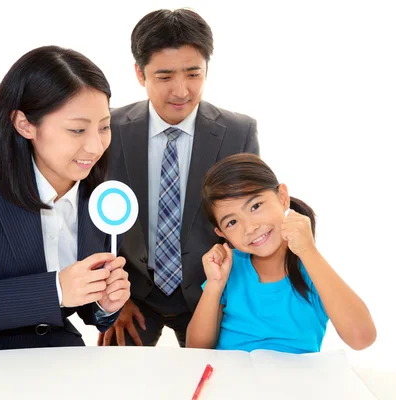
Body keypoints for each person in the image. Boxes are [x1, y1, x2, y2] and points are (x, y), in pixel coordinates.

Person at [0, 46, 131, 356]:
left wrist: (104, 303)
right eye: (77, 129)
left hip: (57, 358)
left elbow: (87, 312)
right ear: (24, 123)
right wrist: (55, 290)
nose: (95, 146)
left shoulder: (103, 200)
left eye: (104, 126)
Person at [102, 8, 260, 347]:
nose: (181, 91)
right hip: (133, 295)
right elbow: (88, 219)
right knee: (114, 382)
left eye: (193, 74)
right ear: (139, 74)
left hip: (210, 292)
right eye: (164, 76)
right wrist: (113, 298)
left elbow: (250, 222)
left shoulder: (238, 133)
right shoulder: (107, 129)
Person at [186, 153, 376, 353]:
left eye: (255, 206)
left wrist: (308, 251)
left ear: (282, 198)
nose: (250, 227)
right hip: (232, 380)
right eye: (232, 222)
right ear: (222, 233)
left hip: (295, 382)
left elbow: (362, 338)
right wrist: (214, 285)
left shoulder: (313, 269)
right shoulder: (228, 269)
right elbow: (196, 349)